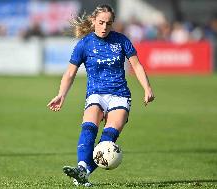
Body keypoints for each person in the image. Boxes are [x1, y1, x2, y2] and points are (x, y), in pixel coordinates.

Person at [47, 4, 155, 187]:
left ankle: (84, 173)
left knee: (107, 140)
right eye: (101, 22)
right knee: (88, 128)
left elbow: (136, 65)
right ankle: (81, 167)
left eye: (109, 23)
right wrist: (61, 95)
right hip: (96, 94)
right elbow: (70, 73)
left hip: (120, 96)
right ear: (93, 21)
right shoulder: (84, 44)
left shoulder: (121, 40)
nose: (105, 27)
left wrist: (147, 88)